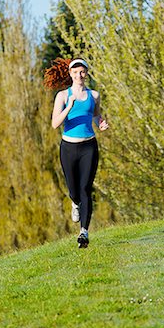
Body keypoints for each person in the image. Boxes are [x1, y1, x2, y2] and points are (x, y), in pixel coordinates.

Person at [44, 57, 108, 248]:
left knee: (86, 189)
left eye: (82, 72)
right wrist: (69, 107)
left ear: (86, 73)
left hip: (89, 146)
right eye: (75, 72)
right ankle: (75, 202)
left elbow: (95, 115)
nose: (79, 76)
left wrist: (101, 123)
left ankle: (84, 232)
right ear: (70, 74)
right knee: (74, 190)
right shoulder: (63, 96)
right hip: (69, 148)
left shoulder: (94, 95)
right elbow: (55, 123)